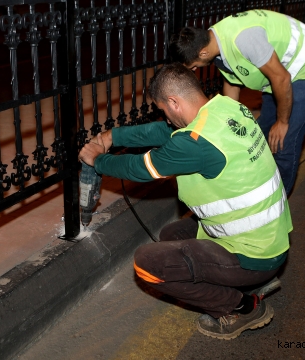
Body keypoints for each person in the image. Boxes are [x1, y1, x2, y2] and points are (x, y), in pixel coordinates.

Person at [78, 63, 292, 340]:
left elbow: (139, 169)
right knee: (171, 235)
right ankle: (245, 285)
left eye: (163, 110)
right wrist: (112, 136)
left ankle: (242, 307)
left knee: (148, 263)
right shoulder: (226, 108)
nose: (165, 118)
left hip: (255, 256)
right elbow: (162, 132)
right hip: (269, 239)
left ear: (174, 102)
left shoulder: (194, 142)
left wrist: (96, 158)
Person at [169, 9, 305, 195]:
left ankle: (276, 205)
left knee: (283, 143)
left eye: (194, 65)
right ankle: (261, 186)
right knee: (261, 134)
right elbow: (232, 83)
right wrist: (227, 125)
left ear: (203, 52)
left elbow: (282, 78)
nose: (195, 70)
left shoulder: (244, 39)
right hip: (278, 77)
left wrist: (282, 121)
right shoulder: (215, 42)